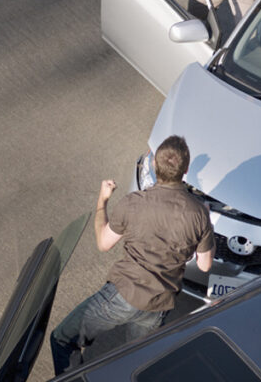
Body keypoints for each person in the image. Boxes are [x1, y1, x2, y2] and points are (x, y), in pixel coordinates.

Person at [49, 135, 215, 375]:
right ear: (186, 170)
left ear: (155, 166)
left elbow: (104, 243)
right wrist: (207, 224)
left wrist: (102, 200)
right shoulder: (199, 213)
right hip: (159, 305)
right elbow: (205, 265)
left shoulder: (133, 203)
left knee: (62, 338)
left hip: (122, 295)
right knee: (136, 361)